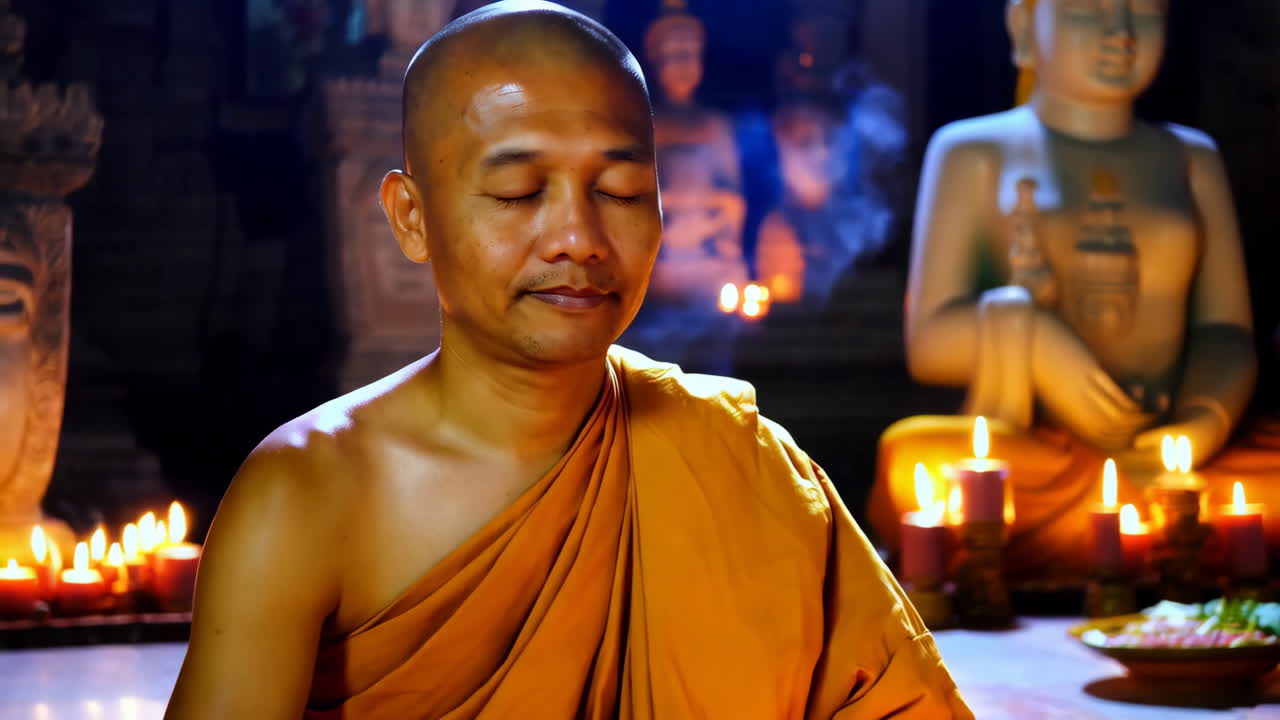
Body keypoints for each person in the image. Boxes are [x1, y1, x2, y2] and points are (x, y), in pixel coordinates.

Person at [165, 2, 972, 718]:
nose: (579, 240)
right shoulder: (306, 497)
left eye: (620, 191)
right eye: (518, 193)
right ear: (411, 218)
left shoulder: (740, 464)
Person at [868, 0, 1279, 581]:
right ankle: (1160, 537)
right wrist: (1030, 335)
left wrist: (1200, 423)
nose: (1121, 33)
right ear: (1023, 25)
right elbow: (929, 344)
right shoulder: (971, 152)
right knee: (914, 463)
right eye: (1090, 11)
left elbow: (1225, 331)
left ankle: (1139, 525)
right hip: (1042, 459)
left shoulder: (1190, 158)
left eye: (1146, 12)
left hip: (1172, 451)